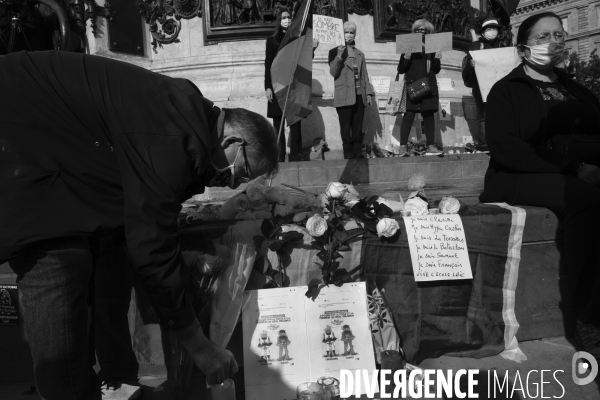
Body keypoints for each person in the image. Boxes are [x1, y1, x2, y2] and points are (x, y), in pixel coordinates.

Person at [0, 50, 279, 399]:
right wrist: (199, 346)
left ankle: (114, 378)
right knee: (60, 264)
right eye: (243, 171)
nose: (236, 184)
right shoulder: (171, 136)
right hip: (22, 145)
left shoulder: (182, 117)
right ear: (232, 142)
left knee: (107, 251)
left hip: (52, 155)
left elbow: (138, 217)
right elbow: (152, 247)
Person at [479, 12, 600, 357]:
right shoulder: (507, 90)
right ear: (523, 47)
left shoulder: (574, 86)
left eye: (559, 35)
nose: (554, 42)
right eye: (544, 36)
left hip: (577, 165)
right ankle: (589, 319)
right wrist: (573, 166)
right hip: (519, 175)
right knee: (584, 199)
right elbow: (507, 147)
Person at [265, 7, 318, 162]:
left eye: (289, 17)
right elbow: (268, 64)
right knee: (278, 125)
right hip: (277, 86)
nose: (287, 20)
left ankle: (296, 155)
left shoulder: (297, 38)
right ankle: (279, 157)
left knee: (295, 123)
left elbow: (304, 60)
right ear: (278, 21)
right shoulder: (272, 40)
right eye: (283, 18)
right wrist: (267, 87)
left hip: (294, 87)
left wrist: (313, 49)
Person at [328, 21, 374, 159]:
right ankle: (347, 151)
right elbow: (333, 72)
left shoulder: (360, 54)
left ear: (355, 35)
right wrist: (339, 56)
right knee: (345, 125)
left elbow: (364, 74)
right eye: (346, 32)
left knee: (357, 124)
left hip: (360, 94)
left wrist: (369, 93)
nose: (349, 35)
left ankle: (357, 150)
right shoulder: (334, 51)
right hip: (344, 94)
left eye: (351, 32)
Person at [397, 19, 443, 157]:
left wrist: (437, 58)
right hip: (413, 85)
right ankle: (403, 147)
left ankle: (430, 146)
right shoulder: (408, 47)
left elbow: (436, 69)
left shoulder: (433, 48)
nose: (421, 32)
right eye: (418, 30)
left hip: (428, 86)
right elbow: (400, 69)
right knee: (409, 115)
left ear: (429, 33)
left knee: (428, 115)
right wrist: (406, 58)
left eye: (425, 30)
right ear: (414, 32)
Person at [462, 17, 504, 152]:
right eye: (489, 29)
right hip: (481, 86)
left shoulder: (502, 46)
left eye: (495, 29)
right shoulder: (476, 45)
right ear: (484, 31)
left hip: (499, 86)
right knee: (483, 116)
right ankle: (484, 143)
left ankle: (498, 140)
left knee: (499, 114)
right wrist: (471, 64)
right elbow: (468, 64)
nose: (492, 32)